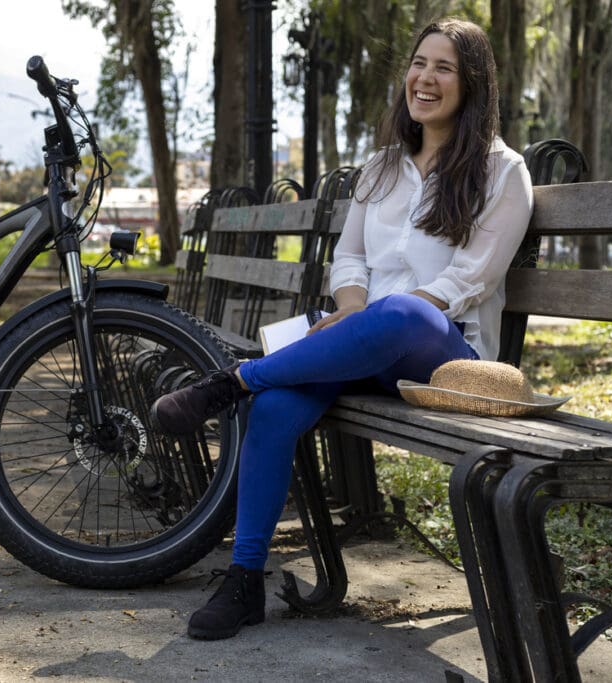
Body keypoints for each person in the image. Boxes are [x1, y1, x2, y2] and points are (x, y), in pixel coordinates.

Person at [151, 17, 534, 641]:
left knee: (404, 312)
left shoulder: (502, 170)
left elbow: (470, 281)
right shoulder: (382, 167)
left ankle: (231, 381)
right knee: (276, 408)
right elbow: (350, 258)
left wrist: (376, 315)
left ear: (473, 85)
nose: (425, 79)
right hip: (359, 338)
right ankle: (245, 579)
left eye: (443, 68)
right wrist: (355, 307)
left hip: (445, 356)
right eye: (419, 63)